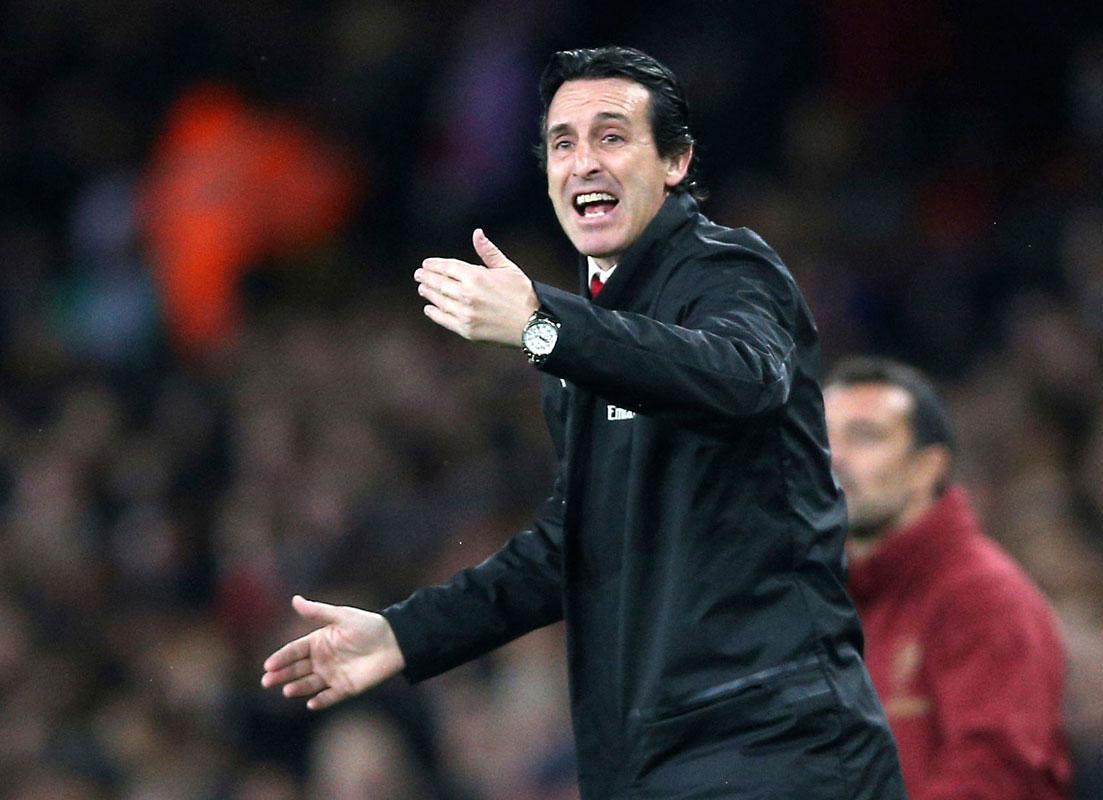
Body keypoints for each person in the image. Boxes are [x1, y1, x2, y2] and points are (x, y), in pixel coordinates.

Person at [263, 46, 906, 799]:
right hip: (652, 759)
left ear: (675, 162)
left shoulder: (729, 272)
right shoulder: (584, 338)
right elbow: (573, 547)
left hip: (774, 745)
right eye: (563, 143)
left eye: (612, 137)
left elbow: (746, 378)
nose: (584, 162)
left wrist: (543, 330)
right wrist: (405, 634)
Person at [823, 357, 1071, 799]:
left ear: (926, 468)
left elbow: (1000, 774)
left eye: (864, 436)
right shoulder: (824, 596)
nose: (834, 457)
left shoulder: (984, 596)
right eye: (822, 438)